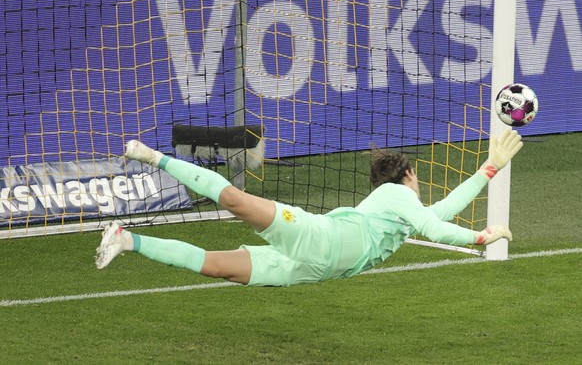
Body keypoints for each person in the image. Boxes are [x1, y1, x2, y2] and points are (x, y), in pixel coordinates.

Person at [95, 130, 523, 287]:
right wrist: (482, 237)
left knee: (215, 267)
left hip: (312, 269)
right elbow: (438, 229)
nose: (419, 184)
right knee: (236, 201)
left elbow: (441, 212)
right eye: (416, 176)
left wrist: (490, 168)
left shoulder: (400, 206)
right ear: (407, 176)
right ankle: (154, 157)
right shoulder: (398, 197)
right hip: (318, 238)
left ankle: (126, 238)